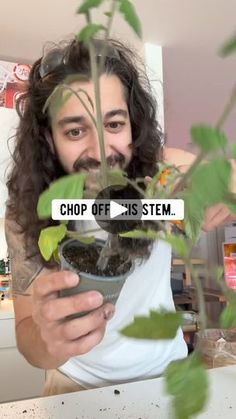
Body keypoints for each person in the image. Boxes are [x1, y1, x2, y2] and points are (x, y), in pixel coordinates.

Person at [5, 37, 235, 396]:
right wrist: (48, 342)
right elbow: (27, 337)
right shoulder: (27, 209)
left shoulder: (158, 173)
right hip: (74, 385)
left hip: (165, 377)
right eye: (76, 131)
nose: (100, 152)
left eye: (113, 125)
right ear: (49, 139)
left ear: (132, 126)